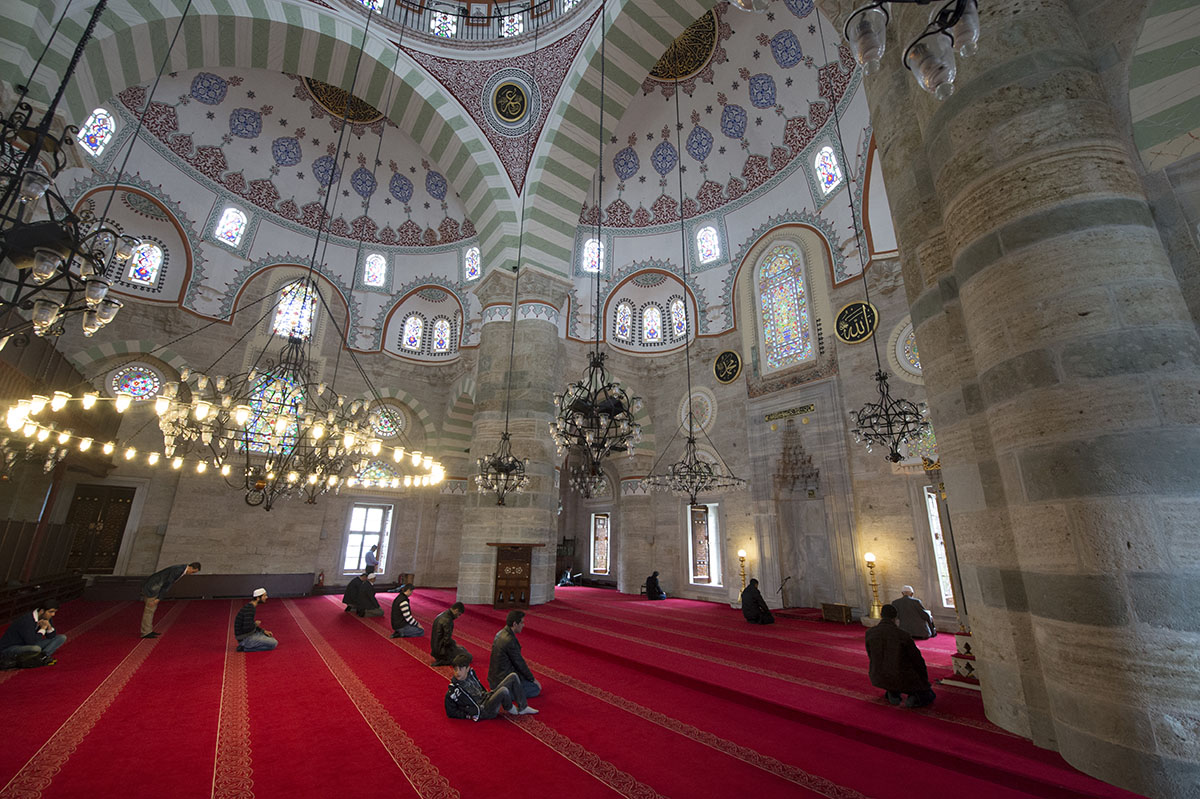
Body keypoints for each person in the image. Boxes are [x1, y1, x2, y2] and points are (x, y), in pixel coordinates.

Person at [865, 604, 936, 708]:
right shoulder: (902, 635)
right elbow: (917, 660)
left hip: (877, 677)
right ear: (896, 617)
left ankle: (892, 693)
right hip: (901, 677)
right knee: (929, 694)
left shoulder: (870, 633)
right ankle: (914, 698)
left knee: (892, 675)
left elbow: (871, 656)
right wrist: (923, 681)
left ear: (881, 615)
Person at [444, 651, 538, 720]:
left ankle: (523, 707)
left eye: (461, 669)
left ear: (468, 668)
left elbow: (480, 688)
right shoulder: (454, 689)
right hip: (485, 711)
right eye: (455, 669)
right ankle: (510, 708)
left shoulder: (471, 673)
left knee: (513, 676)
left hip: (487, 697)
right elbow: (450, 712)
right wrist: (467, 715)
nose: (457, 672)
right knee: (504, 690)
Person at [489, 609, 542, 699]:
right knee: (535, 689)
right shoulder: (510, 640)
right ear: (514, 624)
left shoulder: (500, 633)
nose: (523, 625)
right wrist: (532, 679)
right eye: (521, 623)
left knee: (526, 682)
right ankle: (504, 694)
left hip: (494, 679)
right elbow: (519, 663)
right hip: (503, 682)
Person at [139, 562, 201, 638]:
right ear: (192, 568)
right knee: (149, 610)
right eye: (193, 572)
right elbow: (167, 585)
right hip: (152, 588)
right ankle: (145, 632)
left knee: (151, 610)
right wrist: (159, 598)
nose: (192, 573)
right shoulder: (178, 570)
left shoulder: (180, 568)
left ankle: (148, 630)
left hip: (154, 586)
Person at [1, 599, 66, 667]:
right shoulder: (26, 620)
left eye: (54, 612)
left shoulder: (46, 617)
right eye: (51, 612)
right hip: (12, 647)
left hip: (28, 644)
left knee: (61, 638)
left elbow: (51, 636)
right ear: (42, 611)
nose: (53, 614)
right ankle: (39, 657)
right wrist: (43, 629)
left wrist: (49, 627)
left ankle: (43, 656)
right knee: (36, 648)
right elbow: (31, 642)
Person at [430, 602, 466, 666]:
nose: (458, 617)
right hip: (442, 652)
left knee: (462, 649)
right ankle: (445, 661)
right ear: (456, 610)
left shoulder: (441, 615)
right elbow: (447, 641)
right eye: (459, 614)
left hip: (435, 649)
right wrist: (454, 645)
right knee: (467, 656)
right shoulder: (448, 620)